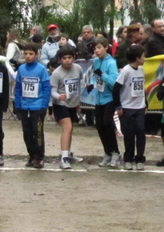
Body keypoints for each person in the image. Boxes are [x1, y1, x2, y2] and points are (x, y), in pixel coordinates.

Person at [14, 42, 51, 168]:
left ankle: (40, 157)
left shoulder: (41, 69)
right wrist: (17, 105)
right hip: (25, 106)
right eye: (26, 54)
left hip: (38, 106)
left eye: (31, 54)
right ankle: (31, 155)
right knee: (27, 133)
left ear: (37, 54)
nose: (28, 56)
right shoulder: (21, 69)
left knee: (38, 132)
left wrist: (44, 106)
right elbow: (18, 88)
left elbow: (46, 88)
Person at [113, 44, 148, 171]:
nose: (145, 58)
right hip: (127, 107)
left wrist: (146, 104)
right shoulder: (126, 71)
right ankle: (128, 158)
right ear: (138, 58)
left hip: (139, 107)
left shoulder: (141, 70)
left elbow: (142, 88)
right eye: (144, 56)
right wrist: (118, 106)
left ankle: (140, 158)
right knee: (128, 134)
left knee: (140, 132)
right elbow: (116, 89)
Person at [88, 37, 121, 167]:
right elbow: (94, 77)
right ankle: (107, 152)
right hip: (99, 99)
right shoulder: (95, 61)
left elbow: (114, 82)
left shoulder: (111, 63)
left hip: (109, 98)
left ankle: (116, 153)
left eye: (99, 47)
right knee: (99, 126)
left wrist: (103, 75)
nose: (96, 50)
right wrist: (91, 84)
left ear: (106, 47)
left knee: (108, 124)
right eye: (95, 48)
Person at [50, 45, 84, 169]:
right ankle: (64, 158)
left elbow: (78, 85)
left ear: (74, 58)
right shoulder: (57, 73)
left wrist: (78, 102)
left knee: (71, 129)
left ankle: (68, 153)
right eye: (64, 58)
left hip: (72, 103)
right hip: (61, 104)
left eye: (70, 57)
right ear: (60, 59)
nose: (67, 60)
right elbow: (52, 91)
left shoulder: (78, 69)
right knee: (67, 128)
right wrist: (59, 96)